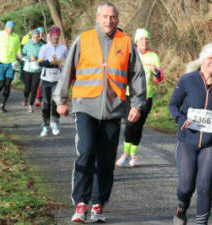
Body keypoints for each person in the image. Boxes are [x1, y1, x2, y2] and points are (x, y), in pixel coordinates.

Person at [53, 2, 146, 223]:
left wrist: (137, 104)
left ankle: (98, 204)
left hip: (114, 110)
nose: (108, 21)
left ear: (118, 19)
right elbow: (68, 70)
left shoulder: (126, 42)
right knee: (85, 152)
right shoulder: (83, 40)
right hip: (86, 106)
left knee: (105, 159)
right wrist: (61, 99)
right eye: (104, 17)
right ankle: (80, 203)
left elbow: (137, 76)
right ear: (97, 18)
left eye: (113, 17)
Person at [169, 43, 212, 225]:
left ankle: (201, 222)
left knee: (205, 185)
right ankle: (182, 207)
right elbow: (173, 105)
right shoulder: (187, 80)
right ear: (202, 60)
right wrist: (181, 120)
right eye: (210, 58)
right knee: (185, 187)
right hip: (187, 141)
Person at [116, 28, 164, 167]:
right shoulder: (130, 53)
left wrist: (156, 73)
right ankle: (125, 153)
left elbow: (159, 79)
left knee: (138, 127)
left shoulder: (153, 56)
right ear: (136, 41)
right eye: (142, 39)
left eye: (147, 39)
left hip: (146, 97)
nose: (145, 41)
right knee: (130, 125)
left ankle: (133, 155)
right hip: (129, 96)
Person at [38, 25, 67, 136]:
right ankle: (45, 125)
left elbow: (68, 62)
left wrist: (62, 64)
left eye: (57, 35)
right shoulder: (44, 48)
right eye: (53, 35)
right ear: (50, 35)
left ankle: (54, 122)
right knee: (46, 103)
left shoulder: (63, 48)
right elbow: (40, 63)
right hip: (45, 79)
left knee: (56, 102)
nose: (55, 37)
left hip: (57, 79)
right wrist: (50, 60)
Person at [0, 20, 22, 113]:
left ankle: (2, 105)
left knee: (7, 85)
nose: (10, 30)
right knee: (0, 84)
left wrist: (19, 53)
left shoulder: (16, 37)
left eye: (12, 29)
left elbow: (18, 48)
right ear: (5, 28)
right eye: (8, 28)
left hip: (11, 64)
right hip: (0, 63)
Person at [21, 29, 44, 113]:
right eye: (34, 37)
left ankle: (31, 105)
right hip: (28, 69)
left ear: (39, 37)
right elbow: (22, 55)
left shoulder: (42, 45)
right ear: (31, 37)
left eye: (37, 37)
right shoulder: (27, 45)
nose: (36, 39)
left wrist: (39, 59)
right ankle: (26, 97)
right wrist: (29, 58)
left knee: (34, 88)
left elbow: (44, 57)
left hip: (37, 70)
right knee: (27, 88)